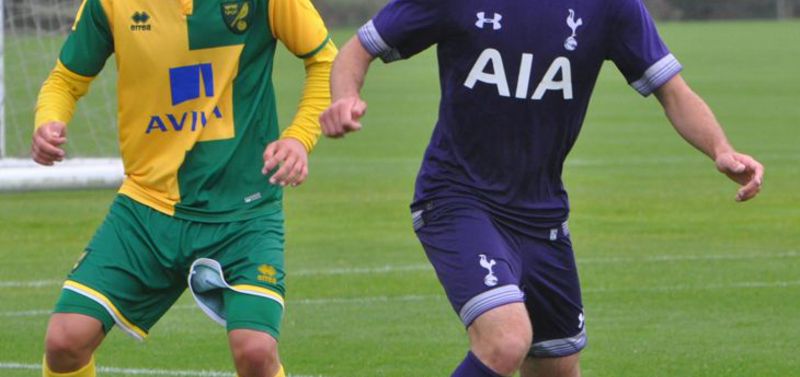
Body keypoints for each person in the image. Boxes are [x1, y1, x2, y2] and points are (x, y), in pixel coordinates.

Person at [319, 0, 764, 376]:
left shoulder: (610, 7)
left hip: (542, 215)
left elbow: (673, 90)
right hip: (456, 196)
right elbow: (358, 50)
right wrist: (344, 97)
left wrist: (720, 149)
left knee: (558, 366)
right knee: (506, 340)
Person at [31, 0, 335, 376]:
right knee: (65, 341)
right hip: (146, 206)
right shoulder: (110, 4)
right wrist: (49, 120)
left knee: (255, 353)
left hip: (243, 211)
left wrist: (299, 138)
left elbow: (326, 61)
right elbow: (66, 79)